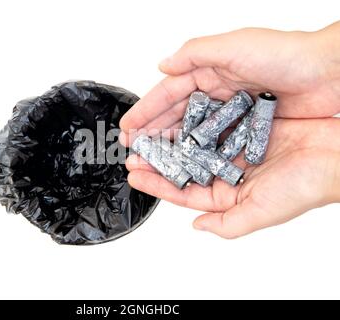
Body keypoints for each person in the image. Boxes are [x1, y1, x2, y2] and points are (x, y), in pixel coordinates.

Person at [119, 21, 340, 239]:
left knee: (182, 143)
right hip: (210, 150)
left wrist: (322, 60)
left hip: (215, 146)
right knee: (176, 143)